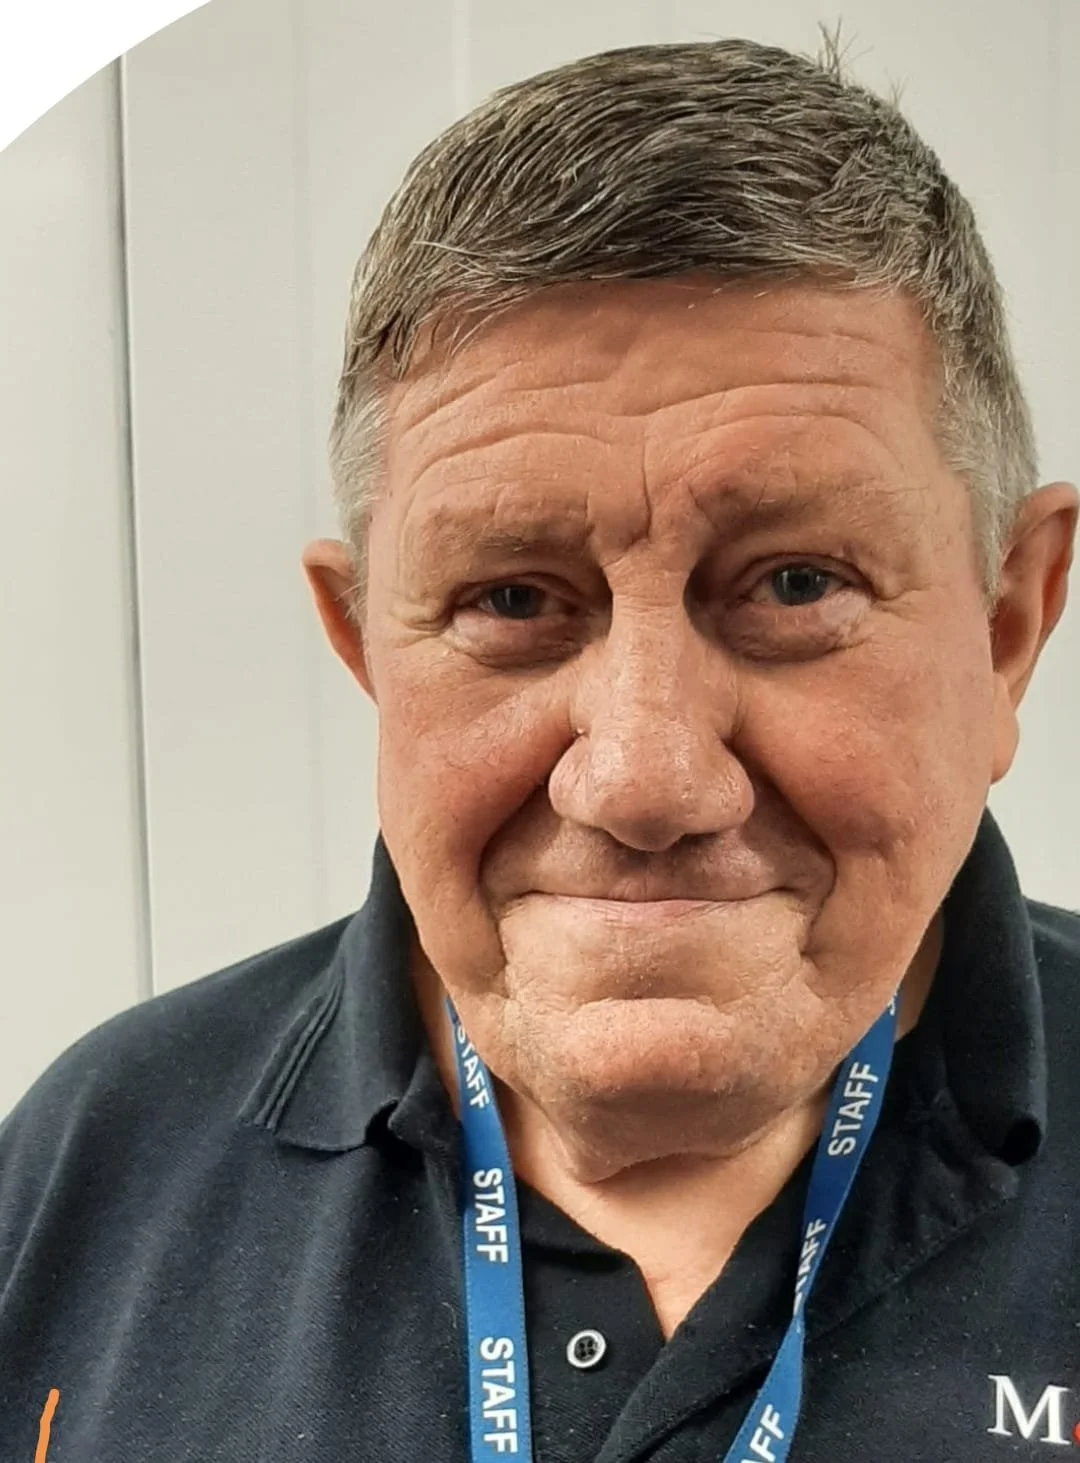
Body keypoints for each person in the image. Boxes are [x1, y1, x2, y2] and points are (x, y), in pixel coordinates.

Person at [1, 31, 1077, 1463]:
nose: (643, 775)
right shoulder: (91, 1166)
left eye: (796, 583)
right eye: (511, 600)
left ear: (1008, 625)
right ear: (366, 646)